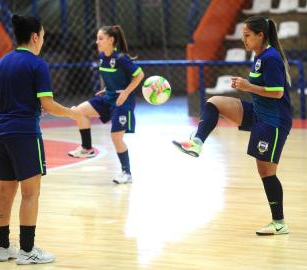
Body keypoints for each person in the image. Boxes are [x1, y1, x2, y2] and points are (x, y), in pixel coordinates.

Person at [173, 16, 292, 236]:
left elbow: (278, 93)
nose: (243, 40)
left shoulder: (271, 58)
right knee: (214, 102)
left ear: (260, 35)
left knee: (266, 172)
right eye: (242, 35)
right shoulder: (259, 57)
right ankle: (197, 143)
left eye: (247, 35)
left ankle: (279, 223)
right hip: (258, 113)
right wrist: (246, 86)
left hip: (273, 120)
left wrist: (248, 86)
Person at [0, 14, 80, 264]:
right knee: (30, 193)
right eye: (43, 37)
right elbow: (47, 104)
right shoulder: (37, 65)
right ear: (35, 37)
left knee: (5, 191)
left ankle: (3, 248)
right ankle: (27, 251)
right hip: (25, 134)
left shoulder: (2, 62)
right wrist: (72, 113)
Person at [68, 25, 144, 184]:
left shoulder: (122, 58)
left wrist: (125, 92)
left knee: (116, 137)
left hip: (122, 102)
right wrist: (106, 89)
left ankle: (126, 173)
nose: (97, 42)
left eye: (100, 38)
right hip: (108, 97)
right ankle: (87, 148)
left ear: (111, 40)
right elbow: (115, 78)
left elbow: (139, 75)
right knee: (79, 111)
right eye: (97, 38)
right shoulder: (102, 56)